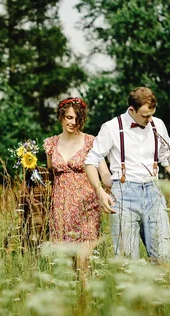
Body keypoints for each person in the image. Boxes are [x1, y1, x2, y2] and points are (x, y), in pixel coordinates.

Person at [84, 87, 170, 261]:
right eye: (145, 116)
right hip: (123, 195)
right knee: (127, 260)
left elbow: (169, 162)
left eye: (152, 114)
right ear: (131, 110)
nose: (149, 119)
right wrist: (100, 192)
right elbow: (91, 161)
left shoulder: (158, 125)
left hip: (153, 193)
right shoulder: (111, 127)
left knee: (163, 256)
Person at [43, 97, 112, 282]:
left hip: (87, 207)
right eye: (68, 117)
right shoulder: (50, 144)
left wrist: (115, 183)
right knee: (65, 263)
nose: (72, 122)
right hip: (61, 208)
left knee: (83, 260)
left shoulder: (91, 142)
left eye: (76, 118)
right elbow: (50, 171)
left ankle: (86, 300)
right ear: (61, 116)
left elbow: (104, 172)